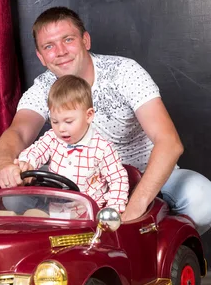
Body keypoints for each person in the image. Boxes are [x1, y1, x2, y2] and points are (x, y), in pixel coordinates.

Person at [0, 6, 211, 233]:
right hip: (80, 184)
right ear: (41, 57)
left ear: (86, 40)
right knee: (15, 196)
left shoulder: (124, 71)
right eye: (49, 46)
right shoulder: (43, 87)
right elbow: (19, 132)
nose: (60, 51)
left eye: (68, 39)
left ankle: (156, 249)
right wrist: (2, 163)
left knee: (202, 199)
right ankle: (66, 254)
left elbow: (169, 142)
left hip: (144, 175)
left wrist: (134, 208)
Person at [17, 75, 129, 212]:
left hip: (89, 213)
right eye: (55, 121)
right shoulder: (53, 138)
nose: (61, 128)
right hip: (57, 209)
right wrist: (26, 163)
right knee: (24, 210)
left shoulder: (102, 148)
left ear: (89, 116)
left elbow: (118, 179)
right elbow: (36, 151)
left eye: (68, 122)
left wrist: (113, 210)